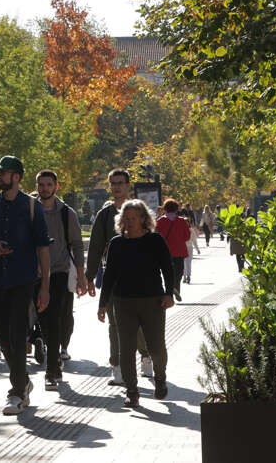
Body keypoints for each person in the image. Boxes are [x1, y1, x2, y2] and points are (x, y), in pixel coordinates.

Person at [0, 155, 51, 416]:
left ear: (16, 177)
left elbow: (43, 247)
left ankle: (17, 393)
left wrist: (45, 288)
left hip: (23, 280)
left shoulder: (32, 206)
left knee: (18, 335)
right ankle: (24, 381)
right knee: (3, 336)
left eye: (3, 173)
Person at [98, 199, 175, 408]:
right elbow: (109, 275)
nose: (130, 221)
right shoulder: (116, 243)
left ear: (143, 218)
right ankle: (132, 391)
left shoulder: (155, 240)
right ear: (121, 219)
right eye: (126, 217)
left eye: (134, 217)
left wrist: (169, 294)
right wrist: (103, 304)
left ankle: (160, 377)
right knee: (126, 349)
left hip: (153, 302)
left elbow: (168, 268)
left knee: (156, 347)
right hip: (124, 303)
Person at [86, 169, 151, 385]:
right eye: (113, 183)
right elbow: (95, 246)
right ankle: (117, 366)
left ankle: (146, 355)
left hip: (140, 279)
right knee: (114, 323)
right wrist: (89, 276)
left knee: (139, 323)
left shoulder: (140, 211)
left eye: (120, 183)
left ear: (128, 185)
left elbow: (153, 244)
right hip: (113, 279)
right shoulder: (105, 215)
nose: (116, 187)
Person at [33, 170, 87, 391]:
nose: (45, 188)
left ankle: (52, 370)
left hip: (58, 272)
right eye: (41, 184)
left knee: (54, 318)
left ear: (56, 186)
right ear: (36, 186)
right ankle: (52, 357)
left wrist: (81, 276)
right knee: (42, 319)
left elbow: (77, 244)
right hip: (33, 274)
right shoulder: (29, 209)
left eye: (49, 184)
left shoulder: (66, 213)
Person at [156, 199, 190, 302]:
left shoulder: (160, 221)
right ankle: (176, 288)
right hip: (179, 251)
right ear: (176, 209)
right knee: (179, 272)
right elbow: (187, 236)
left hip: (165, 251)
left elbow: (157, 236)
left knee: (167, 272)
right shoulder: (182, 221)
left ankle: (170, 291)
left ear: (165, 209)